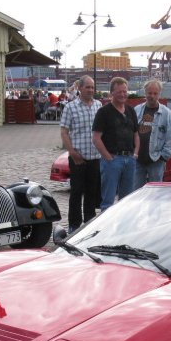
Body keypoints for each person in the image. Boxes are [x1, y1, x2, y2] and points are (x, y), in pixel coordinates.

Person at [60, 75, 101, 233]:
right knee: (76, 192)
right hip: (78, 157)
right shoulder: (71, 107)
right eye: (87, 87)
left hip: (95, 157)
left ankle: (89, 223)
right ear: (80, 88)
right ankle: (74, 225)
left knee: (92, 192)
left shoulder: (98, 105)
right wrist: (72, 152)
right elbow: (64, 132)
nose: (90, 90)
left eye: (92, 87)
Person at [92, 77, 139, 210]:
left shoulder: (131, 111)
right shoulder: (103, 112)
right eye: (119, 92)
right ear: (112, 92)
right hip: (113, 159)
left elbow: (136, 134)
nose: (123, 94)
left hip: (129, 159)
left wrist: (135, 154)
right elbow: (96, 138)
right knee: (108, 201)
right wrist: (108, 158)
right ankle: (106, 229)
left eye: (125, 91)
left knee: (127, 201)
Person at [133, 79, 171, 189]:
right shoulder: (137, 110)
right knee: (135, 193)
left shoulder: (167, 114)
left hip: (156, 161)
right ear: (145, 93)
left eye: (155, 93)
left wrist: (162, 157)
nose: (152, 96)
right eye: (149, 93)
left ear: (159, 94)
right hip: (137, 161)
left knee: (155, 193)